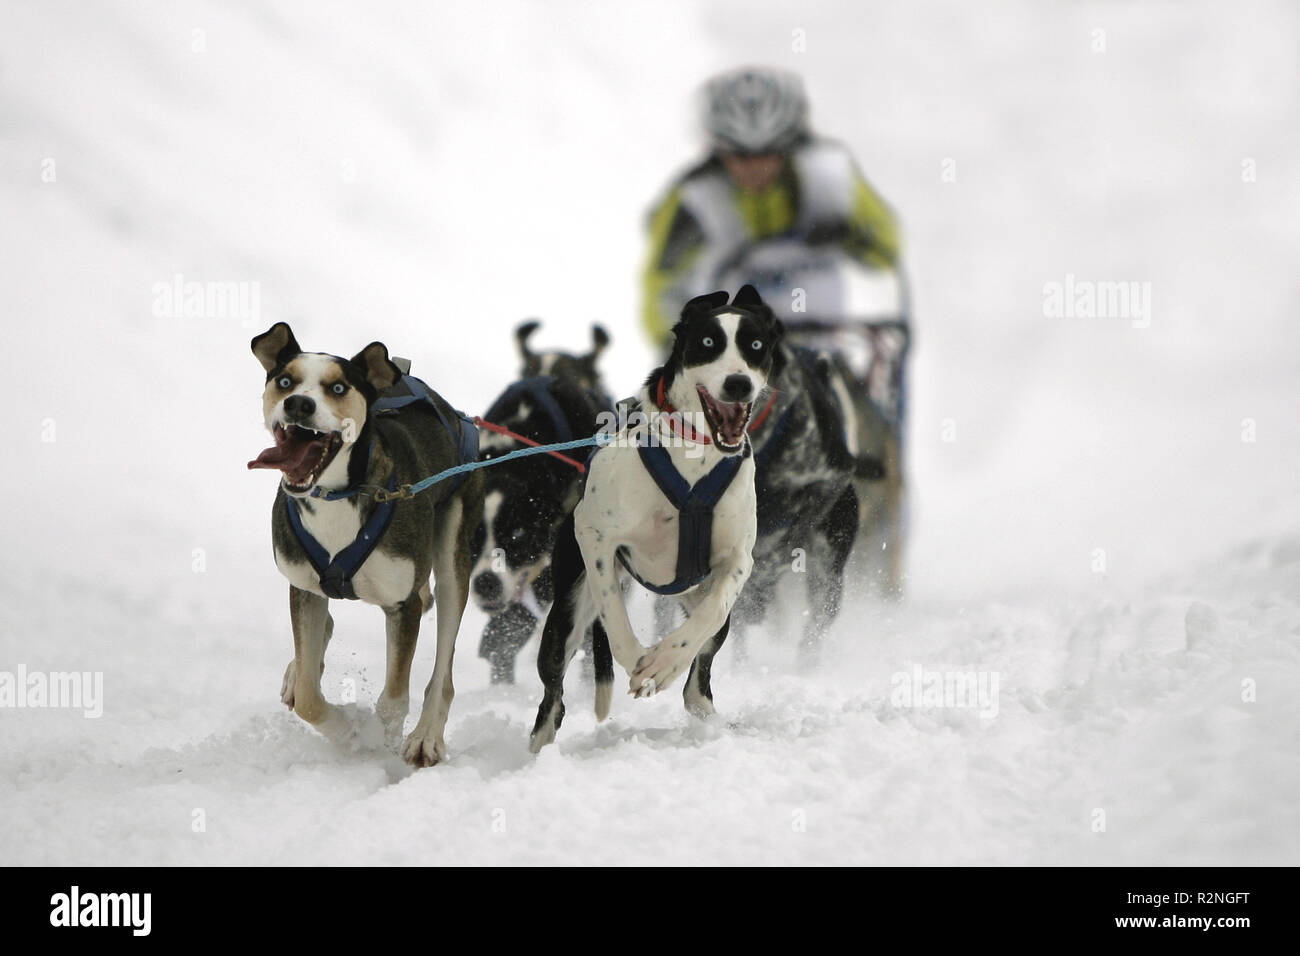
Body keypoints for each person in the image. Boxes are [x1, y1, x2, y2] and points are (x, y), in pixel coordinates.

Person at [641, 66, 904, 358]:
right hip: (731, 353)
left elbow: (886, 251)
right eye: (740, 155)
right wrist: (674, 343)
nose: (755, 168)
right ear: (717, 149)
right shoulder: (695, 200)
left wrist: (854, 239)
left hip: (823, 345)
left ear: (792, 145)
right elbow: (661, 287)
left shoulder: (831, 181)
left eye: (769, 153)